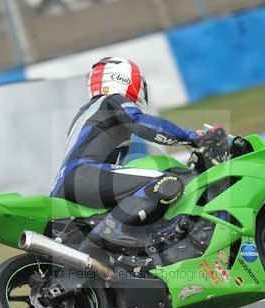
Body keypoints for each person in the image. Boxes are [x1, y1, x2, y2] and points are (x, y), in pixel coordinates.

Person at [50, 57, 223, 246]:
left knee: (137, 192)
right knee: (165, 182)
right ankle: (112, 229)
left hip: (65, 185)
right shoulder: (111, 101)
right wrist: (193, 136)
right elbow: (141, 123)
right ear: (124, 79)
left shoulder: (88, 113)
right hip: (83, 175)